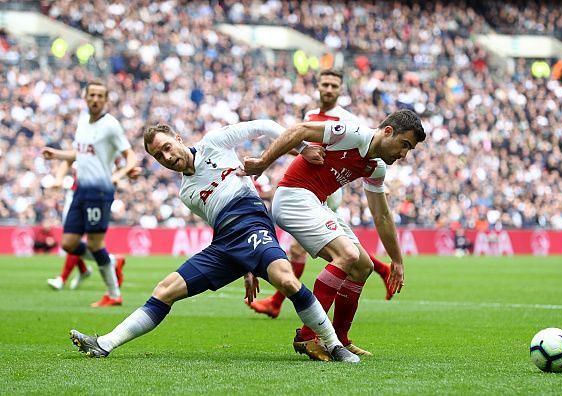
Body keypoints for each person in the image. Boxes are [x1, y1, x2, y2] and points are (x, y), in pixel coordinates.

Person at [69, 120, 359, 363]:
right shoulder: (187, 192)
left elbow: (267, 126)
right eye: (159, 156)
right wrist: (247, 267)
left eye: (167, 147)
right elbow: (218, 222)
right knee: (165, 289)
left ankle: (334, 345)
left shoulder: (215, 142)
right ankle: (104, 343)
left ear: (178, 138)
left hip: (252, 222)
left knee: (286, 280)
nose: (167, 157)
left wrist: (302, 149)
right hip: (225, 243)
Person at [241, 109, 426, 359]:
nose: (404, 154)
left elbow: (381, 215)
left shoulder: (376, 168)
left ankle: (339, 338)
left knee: (363, 266)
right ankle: (307, 335)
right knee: (347, 254)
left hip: (317, 202)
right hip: (293, 195)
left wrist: (397, 260)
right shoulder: (354, 133)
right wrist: (263, 163)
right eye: (404, 145)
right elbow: (299, 130)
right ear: (388, 131)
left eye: (409, 150)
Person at [246, 70, 394, 321]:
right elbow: (305, 147)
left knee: (307, 249)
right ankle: (380, 269)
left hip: (325, 191)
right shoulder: (310, 115)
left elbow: (356, 156)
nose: (328, 89)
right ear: (317, 86)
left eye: (333, 85)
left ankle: (280, 304)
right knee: (320, 248)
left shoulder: (347, 119)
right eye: (324, 84)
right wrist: (302, 150)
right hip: (306, 187)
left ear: (340, 90)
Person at [41, 80, 137, 306]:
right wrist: (56, 155)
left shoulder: (111, 125)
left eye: (99, 96)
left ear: (105, 100)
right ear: (85, 97)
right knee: (68, 243)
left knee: (95, 244)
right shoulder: (82, 121)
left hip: (100, 191)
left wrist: (119, 174)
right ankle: (112, 261)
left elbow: (130, 156)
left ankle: (113, 295)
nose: (95, 99)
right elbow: (79, 153)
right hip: (80, 190)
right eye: (91, 95)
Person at [46, 159, 135, 291]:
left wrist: (120, 174)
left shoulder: (103, 145)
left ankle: (64, 278)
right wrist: (59, 176)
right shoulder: (82, 143)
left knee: (81, 241)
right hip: (75, 195)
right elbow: (70, 157)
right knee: (70, 241)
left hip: (93, 195)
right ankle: (103, 264)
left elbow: (121, 160)